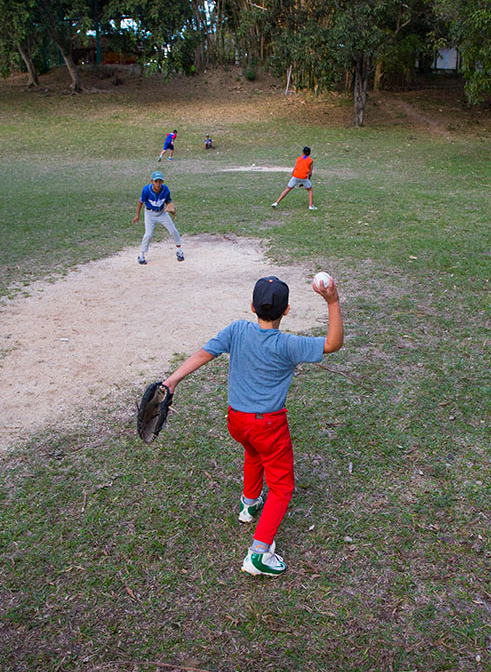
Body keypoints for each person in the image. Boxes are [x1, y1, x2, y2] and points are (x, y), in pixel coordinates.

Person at [162, 275, 343, 577]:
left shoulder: (236, 330)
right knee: (282, 486)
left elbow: (204, 353)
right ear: (286, 311)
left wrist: (172, 381)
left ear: (251, 307)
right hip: (267, 426)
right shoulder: (288, 344)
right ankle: (259, 553)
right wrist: (332, 301)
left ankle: (248, 504)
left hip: (237, 421)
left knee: (253, 454)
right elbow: (333, 344)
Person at [132, 171, 183, 264]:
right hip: (149, 213)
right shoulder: (146, 190)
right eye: (156, 181)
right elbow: (140, 202)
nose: (158, 184)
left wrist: (170, 206)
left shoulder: (165, 189)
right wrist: (137, 215)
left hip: (162, 212)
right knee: (148, 234)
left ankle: (179, 251)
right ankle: (141, 255)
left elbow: (168, 200)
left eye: (160, 181)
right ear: (152, 181)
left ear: (162, 182)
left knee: (173, 230)